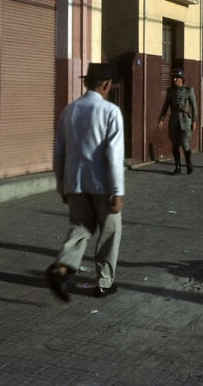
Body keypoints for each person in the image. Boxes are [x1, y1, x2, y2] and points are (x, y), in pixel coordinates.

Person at [46, 63, 125, 301]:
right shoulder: (111, 111)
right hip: (103, 184)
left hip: (76, 182)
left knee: (81, 227)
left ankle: (61, 268)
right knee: (110, 231)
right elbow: (114, 154)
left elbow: (59, 151)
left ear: (86, 83)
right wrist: (117, 191)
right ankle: (104, 282)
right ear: (107, 84)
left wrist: (62, 185)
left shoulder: (69, 111)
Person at [157, 68, 198, 174]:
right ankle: (177, 167)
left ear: (181, 79)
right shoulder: (170, 91)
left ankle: (189, 164)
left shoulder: (189, 90)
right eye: (173, 77)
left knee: (185, 144)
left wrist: (194, 121)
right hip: (174, 121)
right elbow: (166, 106)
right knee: (175, 145)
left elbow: (194, 106)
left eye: (176, 77)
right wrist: (161, 119)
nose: (174, 79)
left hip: (185, 121)